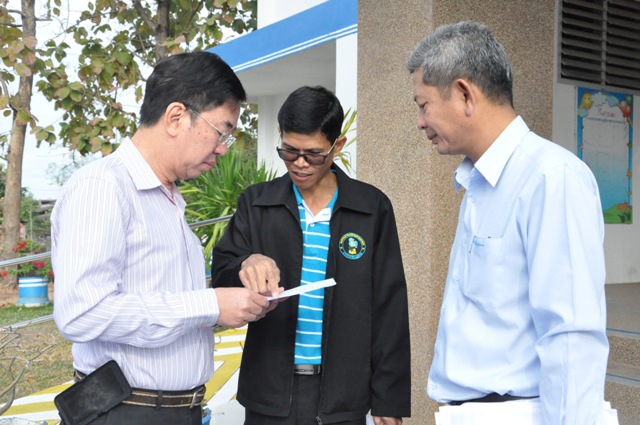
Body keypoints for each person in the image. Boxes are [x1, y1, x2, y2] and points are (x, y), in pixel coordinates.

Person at [408, 21, 616, 425]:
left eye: (423, 104)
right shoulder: (479, 182)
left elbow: (570, 336)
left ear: (464, 94)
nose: (420, 121)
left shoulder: (550, 178)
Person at [51, 51, 270, 425]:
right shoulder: (104, 187)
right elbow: (82, 313)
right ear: (176, 117)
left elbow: (162, 300)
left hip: (176, 410)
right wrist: (209, 304)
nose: (222, 148)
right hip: (125, 412)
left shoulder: (167, 197)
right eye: (221, 131)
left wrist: (227, 303)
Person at [210, 85, 411, 425]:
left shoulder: (370, 208)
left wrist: (388, 397)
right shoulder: (256, 204)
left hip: (343, 396)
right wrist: (245, 263)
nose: (300, 164)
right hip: (269, 394)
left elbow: (389, 307)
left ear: (337, 146)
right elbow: (221, 278)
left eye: (314, 154)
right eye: (289, 151)